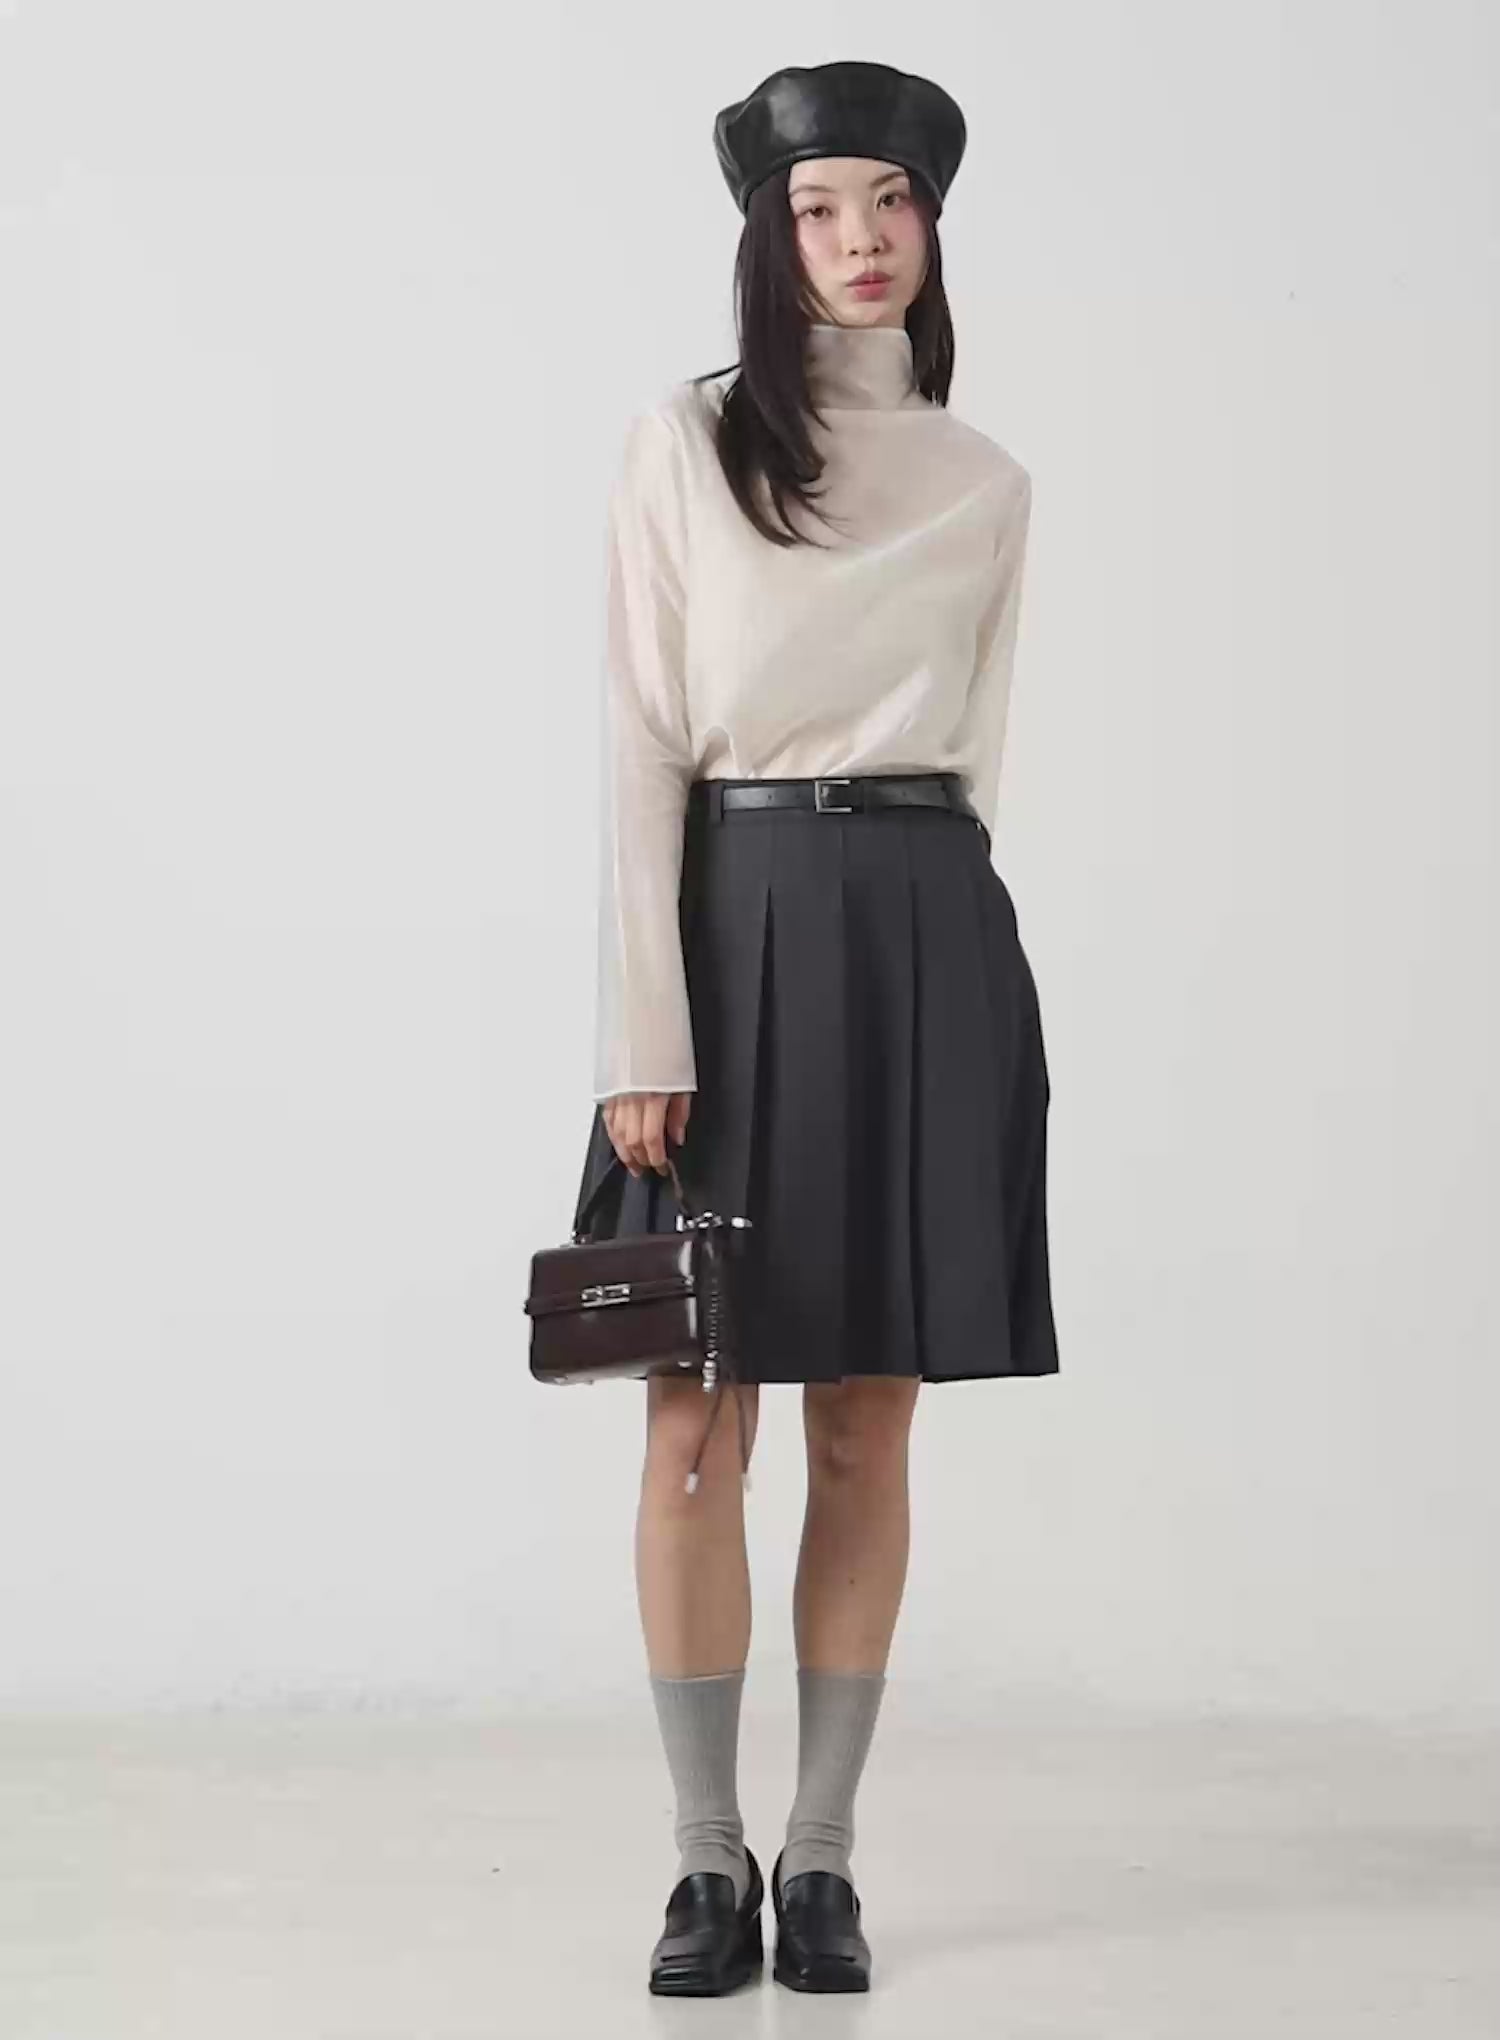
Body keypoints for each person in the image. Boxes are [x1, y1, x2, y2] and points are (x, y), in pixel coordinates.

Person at [569, 58, 1061, 1996]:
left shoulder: (986, 483)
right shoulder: (686, 445)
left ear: (933, 225)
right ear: (767, 240)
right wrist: (644, 1022)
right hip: (731, 917)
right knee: (696, 1420)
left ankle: (826, 1862)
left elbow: (983, 761)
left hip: (927, 929)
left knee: (869, 1425)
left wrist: (955, 991)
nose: (860, 239)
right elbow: (639, 741)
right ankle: (706, 1862)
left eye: (892, 202)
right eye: (817, 207)